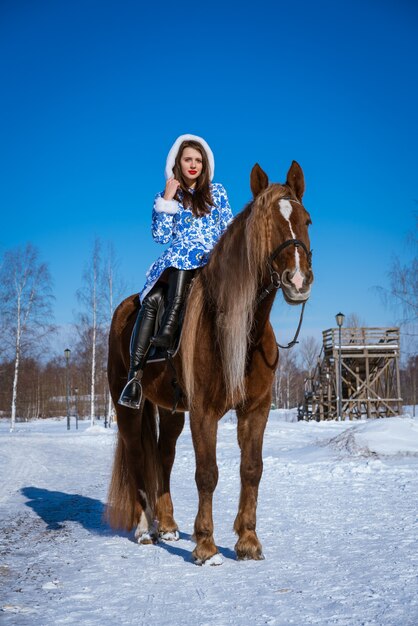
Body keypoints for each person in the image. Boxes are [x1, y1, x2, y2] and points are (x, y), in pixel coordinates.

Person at [119, 134, 234, 408]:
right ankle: (134, 378)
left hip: (212, 260)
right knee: (153, 299)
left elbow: (228, 230)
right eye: (188, 160)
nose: (193, 165)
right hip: (177, 261)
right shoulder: (167, 195)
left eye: (198, 160)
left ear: (205, 165)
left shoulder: (217, 192)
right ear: (177, 164)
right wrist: (168, 201)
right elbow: (160, 237)